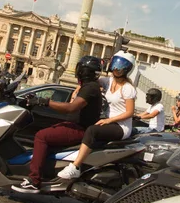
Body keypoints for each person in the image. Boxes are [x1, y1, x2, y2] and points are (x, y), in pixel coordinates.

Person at [11, 56, 103, 193]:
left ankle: (34, 180)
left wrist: (45, 102)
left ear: (83, 71)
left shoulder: (90, 88)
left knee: (41, 136)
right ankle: (46, 171)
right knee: (48, 134)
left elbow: (72, 107)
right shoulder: (89, 86)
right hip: (75, 125)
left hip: (79, 128)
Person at [56, 51, 137, 180]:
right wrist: (78, 89)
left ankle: (75, 166)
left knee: (92, 130)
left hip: (121, 126)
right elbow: (89, 82)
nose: (117, 69)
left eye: (121, 66)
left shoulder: (128, 88)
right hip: (108, 121)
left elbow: (129, 112)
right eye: (115, 64)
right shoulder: (108, 81)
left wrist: (109, 120)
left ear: (127, 69)